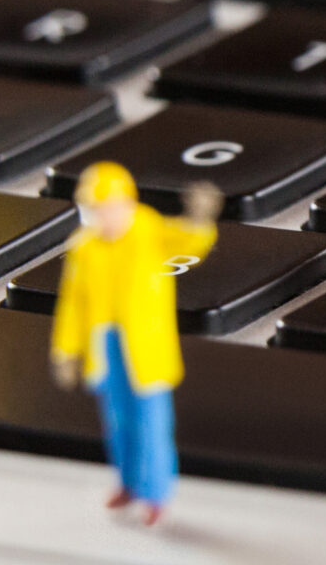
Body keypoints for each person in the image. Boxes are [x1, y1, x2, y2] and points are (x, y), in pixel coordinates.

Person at [49, 163, 221, 528]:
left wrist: (200, 219)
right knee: (118, 422)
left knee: (152, 425)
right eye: (96, 210)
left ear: (128, 204)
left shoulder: (148, 228)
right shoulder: (83, 247)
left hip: (145, 347)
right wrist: (65, 350)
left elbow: (188, 241)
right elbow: (73, 303)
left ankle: (155, 495)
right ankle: (127, 483)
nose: (105, 217)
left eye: (110, 207)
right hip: (104, 344)